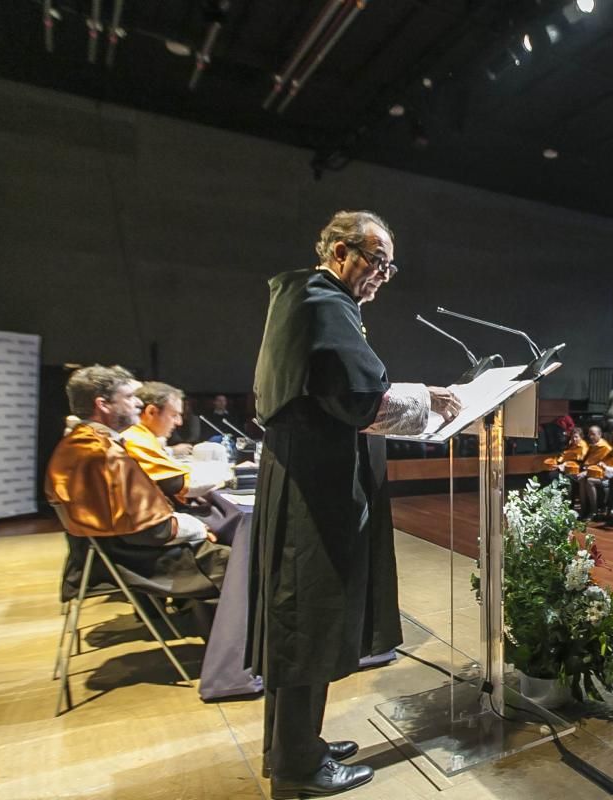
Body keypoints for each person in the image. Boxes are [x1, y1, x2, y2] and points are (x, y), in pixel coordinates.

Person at [247, 210, 461, 798]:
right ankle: (297, 767)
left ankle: (296, 745)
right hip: (313, 492)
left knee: (306, 621)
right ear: (341, 252)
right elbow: (361, 401)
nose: (383, 276)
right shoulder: (322, 302)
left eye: (391, 266)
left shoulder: (306, 302)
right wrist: (431, 399)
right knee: (307, 622)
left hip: (305, 478)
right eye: (377, 261)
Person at [46, 366, 231, 605]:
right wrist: (195, 527)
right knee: (242, 561)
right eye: (129, 397)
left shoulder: (77, 443)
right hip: (136, 561)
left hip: (101, 555)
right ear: (103, 404)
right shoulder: (105, 453)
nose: (138, 404)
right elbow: (154, 530)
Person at [122, 381, 244, 545]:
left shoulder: (143, 437)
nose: (179, 422)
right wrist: (231, 476)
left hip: (152, 522)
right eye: (174, 415)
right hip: (155, 529)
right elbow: (179, 484)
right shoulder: (137, 439)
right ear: (151, 412)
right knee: (235, 527)